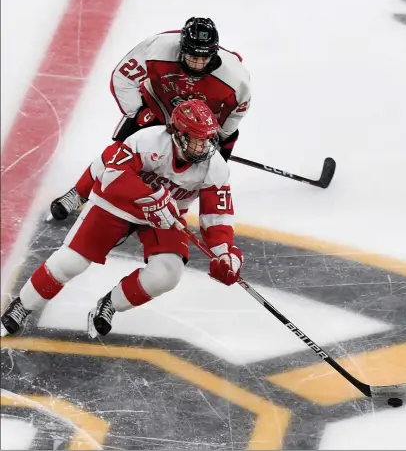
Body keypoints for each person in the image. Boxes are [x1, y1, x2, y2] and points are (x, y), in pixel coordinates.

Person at [1, 99, 243, 338]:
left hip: (164, 218)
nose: (203, 148)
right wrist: (149, 196)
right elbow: (112, 175)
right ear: (178, 134)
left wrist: (225, 253)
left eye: (207, 140)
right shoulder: (146, 141)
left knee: (168, 273)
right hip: (116, 206)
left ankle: (110, 304)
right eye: (196, 140)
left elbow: (217, 214)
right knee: (70, 262)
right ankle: (23, 305)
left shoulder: (215, 167)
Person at [49, 17, 251, 221]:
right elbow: (123, 77)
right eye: (192, 56)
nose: (198, 64)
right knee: (122, 152)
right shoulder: (158, 48)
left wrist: (217, 137)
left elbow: (235, 114)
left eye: (204, 58)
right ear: (182, 47)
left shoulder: (235, 77)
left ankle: (169, 210)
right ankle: (78, 193)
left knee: (202, 169)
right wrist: (138, 113)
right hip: (158, 107)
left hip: (198, 123)